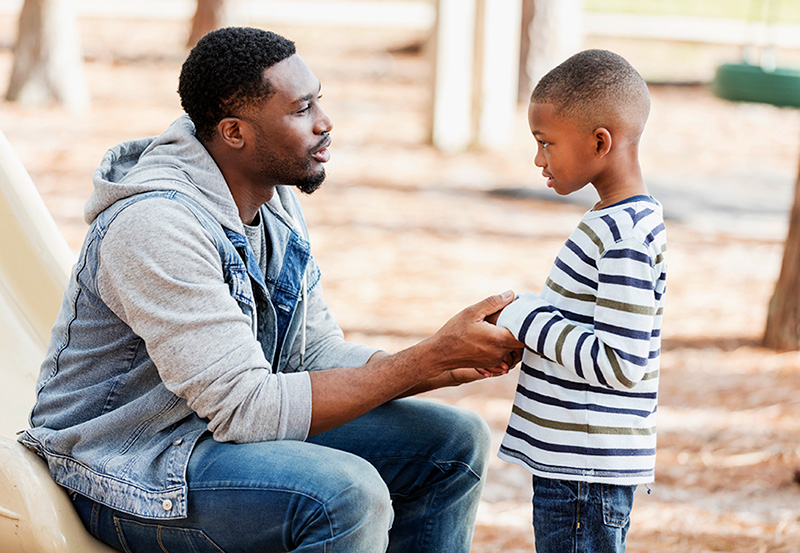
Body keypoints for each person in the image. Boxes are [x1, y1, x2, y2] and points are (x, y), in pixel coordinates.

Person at [18, 27, 522, 553]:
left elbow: (312, 353)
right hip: (125, 466)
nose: (325, 124)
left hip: (211, 436)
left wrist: (438, 364)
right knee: (344, 496)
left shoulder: (271, 198)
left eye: (318, 100)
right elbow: (247, 408)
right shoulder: (155, 226)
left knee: (452, 445)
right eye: (301, 109)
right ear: (235, 133)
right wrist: (419, 363)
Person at [491, 49, 667, 553]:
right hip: (576, 466)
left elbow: (620, 360)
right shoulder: (612, 220)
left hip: (585, 472)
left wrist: (527, 316)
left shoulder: (625, 234)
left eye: (546, 143)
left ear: (600, 141)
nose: (538, 159)